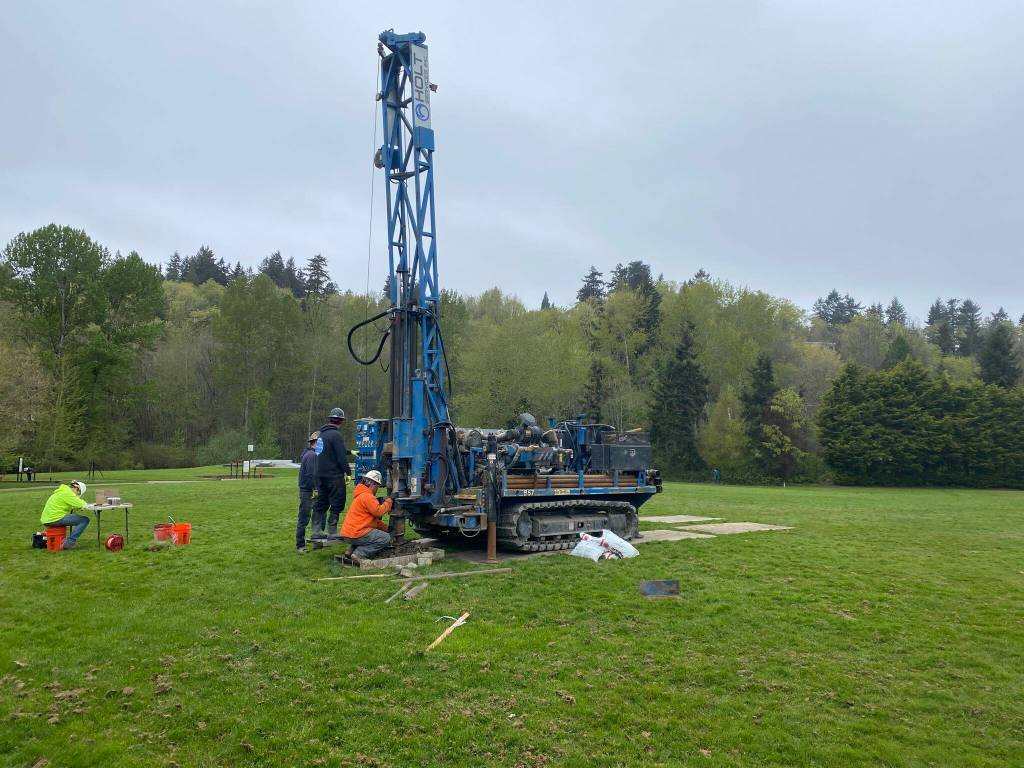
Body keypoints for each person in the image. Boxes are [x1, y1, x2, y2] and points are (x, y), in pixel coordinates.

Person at [311, 407, 351, 541]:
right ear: (341, 421)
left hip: (319, 475)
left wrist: (349, 451)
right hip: (334, 476)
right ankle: (332, 531)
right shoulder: (336, 435)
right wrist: (348, 471)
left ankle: (316, 530)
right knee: (337, 502)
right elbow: (340, 456)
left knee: (322, 501)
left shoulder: (321, 435)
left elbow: (323, 452)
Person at [341, 469, 393, 562]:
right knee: (385, 538)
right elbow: (379, 512)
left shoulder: (360, 495)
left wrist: (386, 528)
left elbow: (372, 521)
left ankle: (350, 551)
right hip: (356, 533)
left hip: (348, 533)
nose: (377, 489)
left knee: (366, 535)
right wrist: (389, 502)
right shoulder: (367, 496)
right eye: (378, 486)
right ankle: (359, 554)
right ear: (373, 484)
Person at [40, 480, 90, 550]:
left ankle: (45, 536)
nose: (77, 495)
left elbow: (73, 504)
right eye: (78, 494)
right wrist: (83, 504)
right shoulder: (68, 493)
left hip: (47, 519)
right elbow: (82, 504)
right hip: (55, 518)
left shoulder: (62, 491)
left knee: (75, 517)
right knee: (84, 520)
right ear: (77, 489)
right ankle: (70, 543)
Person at [295, 431, 320, 553]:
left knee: (318, 516)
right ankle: (300, 545)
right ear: (317, 442)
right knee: (304, 518)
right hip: (307, 491)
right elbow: (311, 475)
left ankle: (317, 542)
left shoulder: (312, 454)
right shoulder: (312, 456)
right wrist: (316, 489)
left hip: (310, 490)